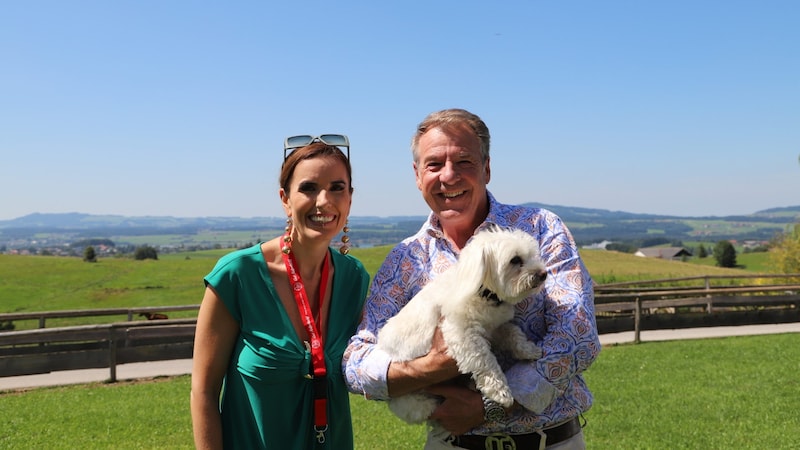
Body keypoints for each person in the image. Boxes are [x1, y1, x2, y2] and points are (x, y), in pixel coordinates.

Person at [342, 109, 601, 450]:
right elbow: (356, 365)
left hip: (549, 442)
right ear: (417, 175)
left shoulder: (539, 229)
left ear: (487, 168)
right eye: (434, 164)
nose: (448, 176)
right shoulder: (404, 261)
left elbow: (578, 337)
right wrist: (429, 368)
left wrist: (489, 406)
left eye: (464, 161)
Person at [191, 136, 370, 449]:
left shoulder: (354, 278)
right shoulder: (237, 275)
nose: (324, 201)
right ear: (285, 199)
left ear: (350, 199)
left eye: (337, 188)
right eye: (309, 188)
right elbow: (203, 393)